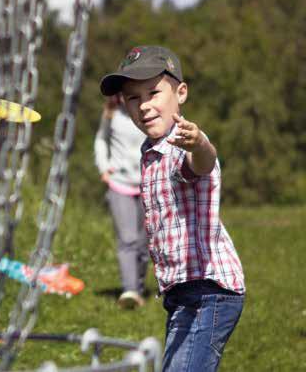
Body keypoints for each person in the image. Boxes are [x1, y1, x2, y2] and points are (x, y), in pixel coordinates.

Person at [99, 45, 245, 372]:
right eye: (133, 98)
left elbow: (202, 162)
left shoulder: (183, 143)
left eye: (153, 92)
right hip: (182, 293)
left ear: (180, 93)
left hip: (210, 290)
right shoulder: (150, 151)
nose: (144, 105)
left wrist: (200, 144)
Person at [93, 94, 148, 309]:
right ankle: (130, 290)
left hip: (146, 184)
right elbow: (101, 139)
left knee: (144, 245)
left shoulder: (148, 111)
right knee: (128, 239)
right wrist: (103, 167)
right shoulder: (111, 112)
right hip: (119, 184)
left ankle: (139, 287)